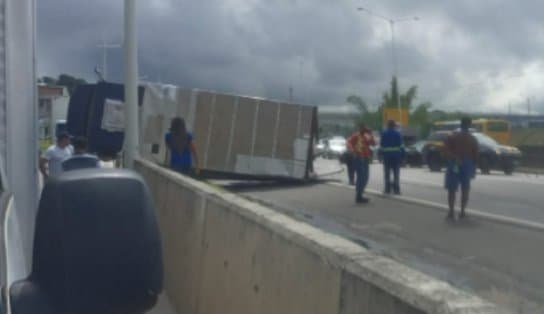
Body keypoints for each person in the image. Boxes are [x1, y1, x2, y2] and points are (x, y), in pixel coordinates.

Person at [443, 117, 479, 219]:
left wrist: (453, 157)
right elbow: (476, 155)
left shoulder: (453, 137)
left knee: (452, 189)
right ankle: (462, 212)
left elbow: (445, 150)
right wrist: (474, 168)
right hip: (467, 164)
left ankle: (451, 212)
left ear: (461, 124)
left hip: (455, 163)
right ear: (470, 125)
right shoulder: (473, 139)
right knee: (465, 188)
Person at [347, 123, 376, 203]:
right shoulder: (356, 136)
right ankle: (359, 196)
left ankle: (360, 194)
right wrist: (352, 150)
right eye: (364, 128)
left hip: (366, 158)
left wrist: (371, 134)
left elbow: (373, 143)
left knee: (366, 177)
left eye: (366, 128)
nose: (365, 130)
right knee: (361, 177)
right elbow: (349, 142)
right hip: (358, 158)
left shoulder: (367, 136)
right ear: (360, 129)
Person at [380, 120, 404, 195]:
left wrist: (380, 155)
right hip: (396, 156)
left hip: (387, 156)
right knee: (396, 173)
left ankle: (387, 189)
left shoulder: (384, 134)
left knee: (387, 173)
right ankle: (396, 190)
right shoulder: (398, 134)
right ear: (394, 126)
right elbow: (401, 146)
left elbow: (381, 146)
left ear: (388, 125)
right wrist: (403, 155)